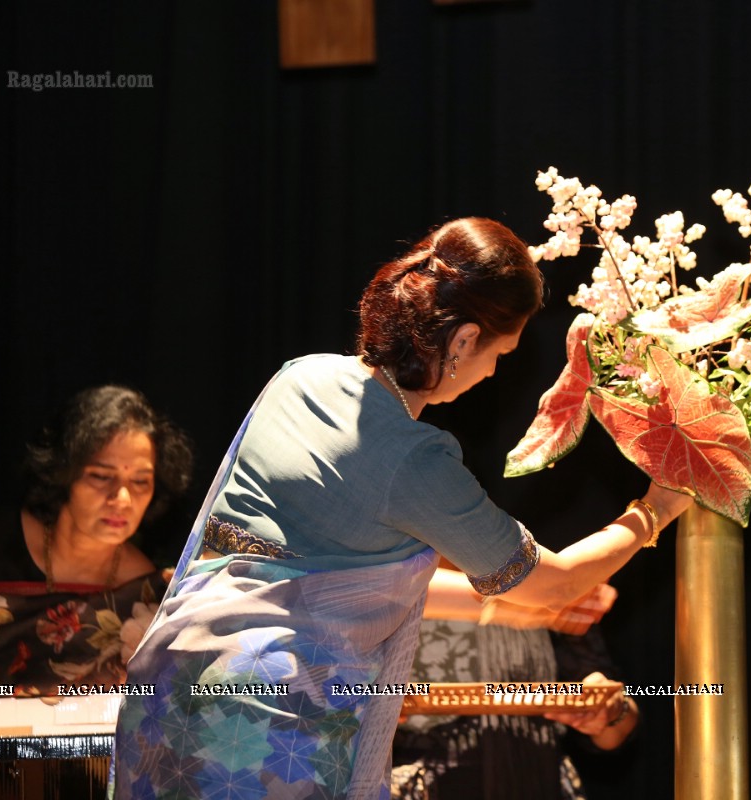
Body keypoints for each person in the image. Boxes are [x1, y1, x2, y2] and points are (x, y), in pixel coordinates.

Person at [112, 217, 692, 799]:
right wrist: (656, 507)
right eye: (500, 354)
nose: (493, 373)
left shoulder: (299, 378)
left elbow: (306, 564)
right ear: (463, 340)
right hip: (263, 723)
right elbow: (553, 583)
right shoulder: (413, 458)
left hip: (172, 687)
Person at [0, 384, 194, 694]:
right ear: (64, 473)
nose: (122, 498)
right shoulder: (4, 540)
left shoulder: (148, 592)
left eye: (141, 481)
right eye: (102, 476)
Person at [391, 567, 638, 800]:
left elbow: (617, 729)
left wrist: (611, 710)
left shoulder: (541, 578)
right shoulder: (386, 579)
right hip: (424, 786)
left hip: (541, 780)